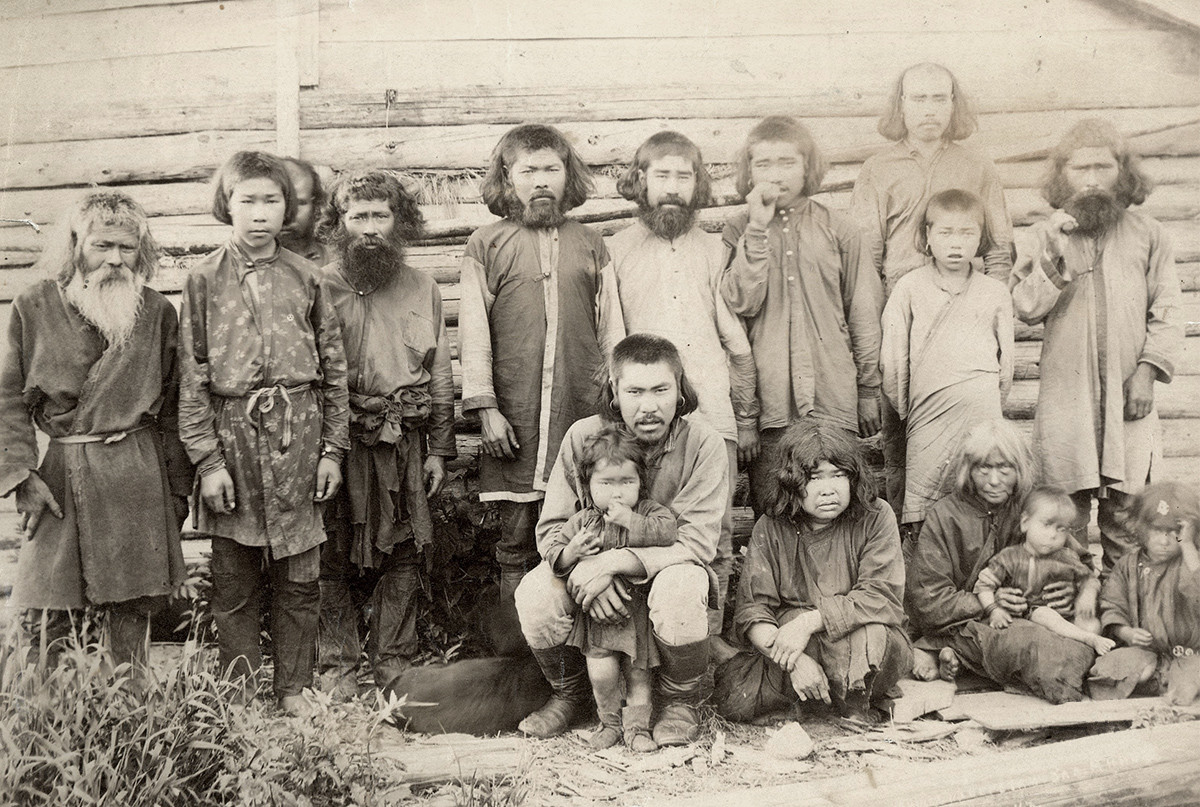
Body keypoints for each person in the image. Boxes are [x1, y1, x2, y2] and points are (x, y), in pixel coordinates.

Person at [178, 151, 350, 714]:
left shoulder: (310, 278)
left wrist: (332, 450)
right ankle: (240, 689)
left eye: (270, 201)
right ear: (226, 205)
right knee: (234, 579)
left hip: (299, 439)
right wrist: (207, 462)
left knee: (300, 577)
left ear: (289, 208)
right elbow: (192, 375)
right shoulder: (202, 279)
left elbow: (334, 369)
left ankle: (294, 687)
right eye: (246, 201)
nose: (259, 214)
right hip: (233, 441)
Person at [0, 191, 190, 670]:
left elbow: (173, 410)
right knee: (47, 609)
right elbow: (6, 399)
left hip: (137, 474)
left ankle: (129, 711)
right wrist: (21, 477)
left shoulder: (157, 312)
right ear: (74, 246)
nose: (114, 260)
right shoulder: (34, 306)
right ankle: (50, 712)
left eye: (127, 248)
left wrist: (177, 491)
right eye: (102, 246)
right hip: (62, 473)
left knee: (133, 606)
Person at [514, 334, 726, 746]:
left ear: (679, 389)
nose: (649, 406)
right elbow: (551, 529)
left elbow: (697, 544)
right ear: (614, 391)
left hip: (662, 578)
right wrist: (586, 568)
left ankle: (680, 702)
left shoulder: (703, 444)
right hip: (591, 583)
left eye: (661, 390)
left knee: (682, 585)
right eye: (634, 391)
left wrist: (612, 563)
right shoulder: (582, 437)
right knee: (535, 593)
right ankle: (570, 695)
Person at [458, 123, 623, 624]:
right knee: (515, 539)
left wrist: (611, 414)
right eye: (528, 171)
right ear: (507, 179)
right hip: (514, 419)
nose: (541, 181)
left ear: (567, 175)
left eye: (551, 169)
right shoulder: (486, 244)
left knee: (583, 532)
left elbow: (612, 331)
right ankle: (517, 656)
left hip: (580, 416)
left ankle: (573, 652)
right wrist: (486, 409)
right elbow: (473, 334)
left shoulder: (592, 244)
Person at [1009, 118, 1183, 571]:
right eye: (1079, 168)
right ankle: (1074, 618)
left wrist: (1146, 372)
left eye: (1102, 168)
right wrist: (1053, 249)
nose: (1090, 180)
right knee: (1063, 519)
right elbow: (1026, 307)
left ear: (1122, 173)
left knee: (1126, 519)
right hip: (1068, 399)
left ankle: (1121, 618)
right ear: (1060, 175)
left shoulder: (1150, 235)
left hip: (1130, 397)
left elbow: (1167, 312)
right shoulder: (1045, 234)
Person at [312, 170, 455, 699]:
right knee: (330, 551)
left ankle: (394, 664)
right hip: (337, 440)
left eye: (381, 216)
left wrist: (440, 447)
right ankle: (338, 666)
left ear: (400, 223)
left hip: (404, 441)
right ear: (340, 223)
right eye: (358, 216)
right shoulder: (320, 286)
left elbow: (439, 372)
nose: (369, 228)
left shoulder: (423, 288)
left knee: (404, 554)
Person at [851, 62, 1014, 516]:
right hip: (902, 319)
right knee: (904, 442)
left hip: (965, 320)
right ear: (900, 105)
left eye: (939, 98)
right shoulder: (878, 169)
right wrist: (875, 335)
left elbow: (999, 250)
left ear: (953, 104)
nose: (929, 109)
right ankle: (912, 548)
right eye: (918, 98)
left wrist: (983, 311)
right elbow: (864, 259)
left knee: (977, 445)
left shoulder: (975, 166)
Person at [609, 130, 757, 630]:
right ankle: (646, 646)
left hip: (711, 410)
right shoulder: (617, 251)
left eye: (683, 177)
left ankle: (705, 640)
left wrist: (747, 417)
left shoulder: (715, 251)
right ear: (640, 182)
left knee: (713, 533)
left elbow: (736, 342)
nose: (672, 188)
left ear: (697, 186)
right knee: (641, 522)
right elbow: (612, 340)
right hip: (642, 418)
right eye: (661, 176)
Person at [721, 116, 883, 516]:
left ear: (808, 167)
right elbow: (740, 301)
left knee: (837, 509)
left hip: (832, 395)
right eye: (763, 164)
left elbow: (863, 312)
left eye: (788, 162)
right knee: (776, 508)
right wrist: (757, 228)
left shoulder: (840, 229)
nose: (776, 175)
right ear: (748, 171)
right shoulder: (739, 228)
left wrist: (867, 391)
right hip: (770, 402)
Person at [713, 421, 911, 724]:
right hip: (791, 647)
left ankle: (847, 697)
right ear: (792, 482)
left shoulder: (876, 516)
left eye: (839, 475)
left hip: (855, 637)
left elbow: (880, 595)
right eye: (814, 477)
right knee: (737, 696)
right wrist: (794, 662)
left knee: (875, 639)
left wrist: (808, 622)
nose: (828, 489)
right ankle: (825, 695)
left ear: (853, 478)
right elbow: (753, 610)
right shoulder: (772, 527)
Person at [906, 420, 1097, 703]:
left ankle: (957, 659)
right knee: (1037, 645)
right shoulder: (944, 516)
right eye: (984, 468)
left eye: (1004, 468)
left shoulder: (1031, 509)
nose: (994, 480)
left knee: (1084, 636)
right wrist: (990, 601)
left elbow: (1082, 563)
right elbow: (929, 600)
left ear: (1019, 470)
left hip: (1034, 617)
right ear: (968, 471)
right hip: (967, 625)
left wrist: (1073, 592)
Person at [881, 189, 1013, 533]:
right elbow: (893, 359)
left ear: (981, 237)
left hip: (981, 410)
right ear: (927, 236)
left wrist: (990, 406)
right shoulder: (909, 288)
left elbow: (1006, 362)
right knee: (926, 507)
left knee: (981, 490)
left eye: (967, 233)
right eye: (945, 233)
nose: (956, 244)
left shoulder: (994, 291)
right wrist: (909, 411)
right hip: (927, 414)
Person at [551, 425, 678, 752]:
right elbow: (554, 552)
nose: (617, 492)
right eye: (606, 483)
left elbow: (667, 532)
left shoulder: (647, 512)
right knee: (602, 673)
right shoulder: (583, 522)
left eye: (627, 482)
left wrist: (629, 521)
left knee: (638, 676)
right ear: (588, 485)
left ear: (641, 483)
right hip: (597, 621)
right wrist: (572, 553)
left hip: (635, 615)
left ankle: (637, 729)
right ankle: (608, 724)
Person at [1090, 481, 1200, 705]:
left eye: (1174, 532)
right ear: (1141, 529)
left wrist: (1188, 546)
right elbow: (1112, 604)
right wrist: (1126, 633)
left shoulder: (1190, 561)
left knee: (1190, 676)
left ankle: (1178, 684)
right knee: (1108, 668)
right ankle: (1162, 679)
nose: (1164, 541)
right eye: (1157, 531)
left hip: (1192, 655)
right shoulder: (1127, 566)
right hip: (1147, 653)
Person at [974, 485, 1112, 656]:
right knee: (1044, 615)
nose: (1053, 535)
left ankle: (1086, 650)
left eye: (1061, 529)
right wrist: (994, 609)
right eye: (1046, 525)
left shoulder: (1067, 556)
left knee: (1091, 624)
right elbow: (984, 585)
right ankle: (1086, 641)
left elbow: (1089, 578)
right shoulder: (1010, 557)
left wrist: (1087, 595)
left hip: (1067, 615)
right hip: (1033, 615)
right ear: (1025, 523)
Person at [279, 157, 332, 267]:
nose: (287, 215)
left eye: (298, 203)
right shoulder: (238, 265)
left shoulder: (338, 263)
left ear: (316, 206)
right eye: (274, 202)